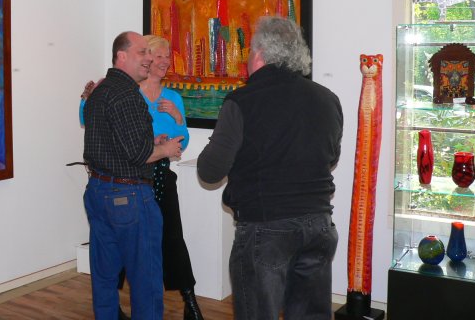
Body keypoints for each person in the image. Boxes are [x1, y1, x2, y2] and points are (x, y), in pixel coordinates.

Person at [197, 17, 343, 320]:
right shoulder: (327, 99)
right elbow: (330, 157)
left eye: (250, 51)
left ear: (260, 53)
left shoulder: (242, 100)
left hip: (266, 228)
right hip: (318, 225)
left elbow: (210, 171)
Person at [80, 35, 205, 320]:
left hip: (98, 190)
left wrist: (154, 141)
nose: (149, 59)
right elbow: (140, 155)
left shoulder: (100, 91)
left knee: (104, 275)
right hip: (129, 196)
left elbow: (110, 143)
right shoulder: (127, 95)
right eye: (142, 53)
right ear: (122, 56)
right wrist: (165, 149)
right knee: (146, 280)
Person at [139, 35, 203, 320]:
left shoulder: (173, 97)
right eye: (160, 56)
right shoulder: (130, 92)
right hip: (134, 176)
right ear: (147, 57)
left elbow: (182, 141)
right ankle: (113, 302)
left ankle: (190, 302)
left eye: (168, 56)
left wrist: (178, 117)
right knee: (130, 240)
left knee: (173, 238)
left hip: (162, 175)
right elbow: (90, 115)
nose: (165, 62)